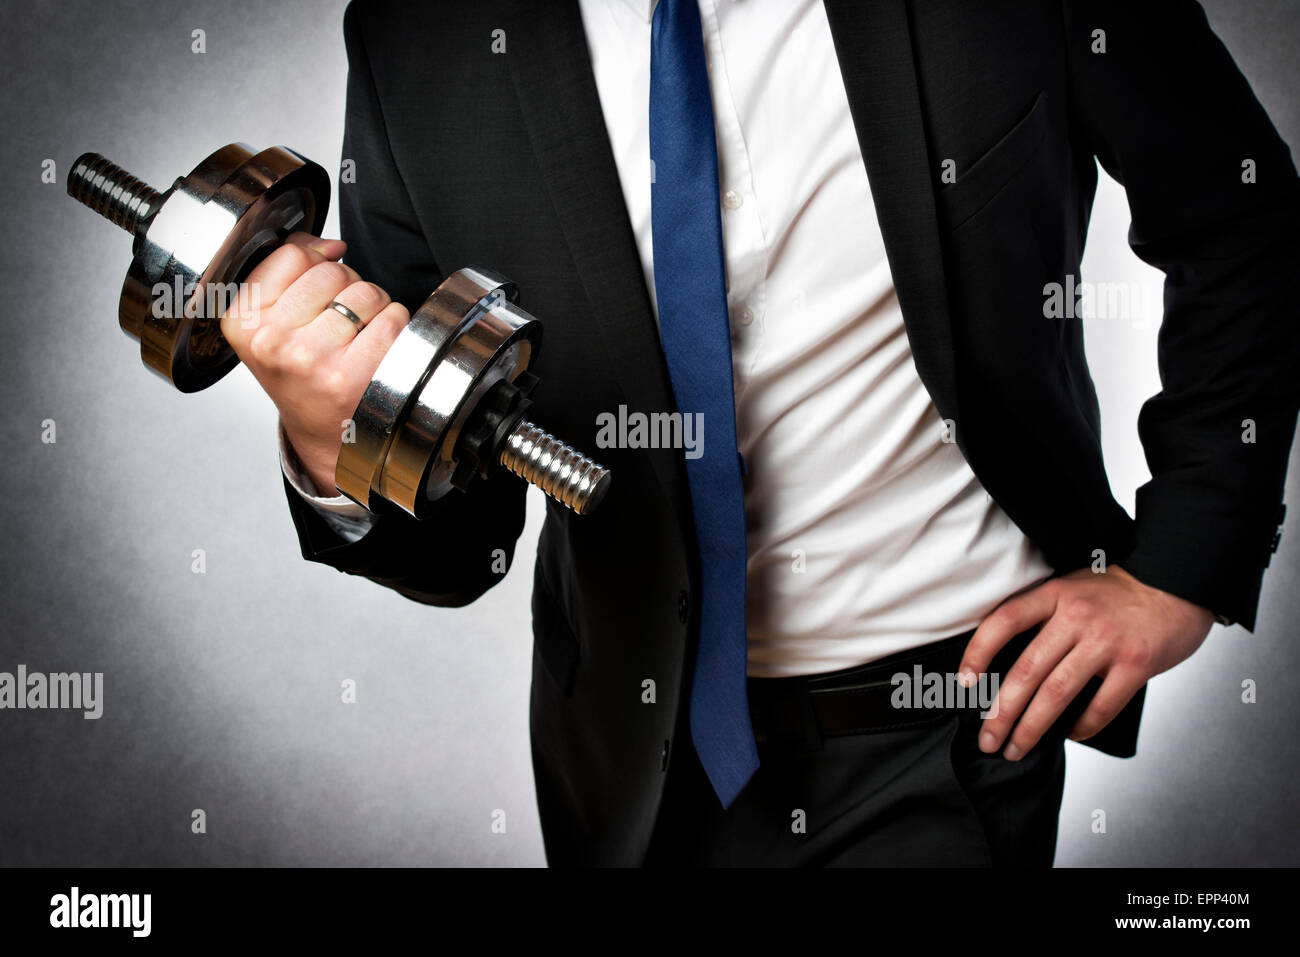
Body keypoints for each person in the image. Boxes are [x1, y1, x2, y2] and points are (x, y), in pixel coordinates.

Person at [218, 0, 1299, 866]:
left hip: (939, 733)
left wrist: (1181, 567)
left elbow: (1239, 221)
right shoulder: (421, 35)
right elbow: (466, 543)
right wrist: (329, 437)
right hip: (626, 767)